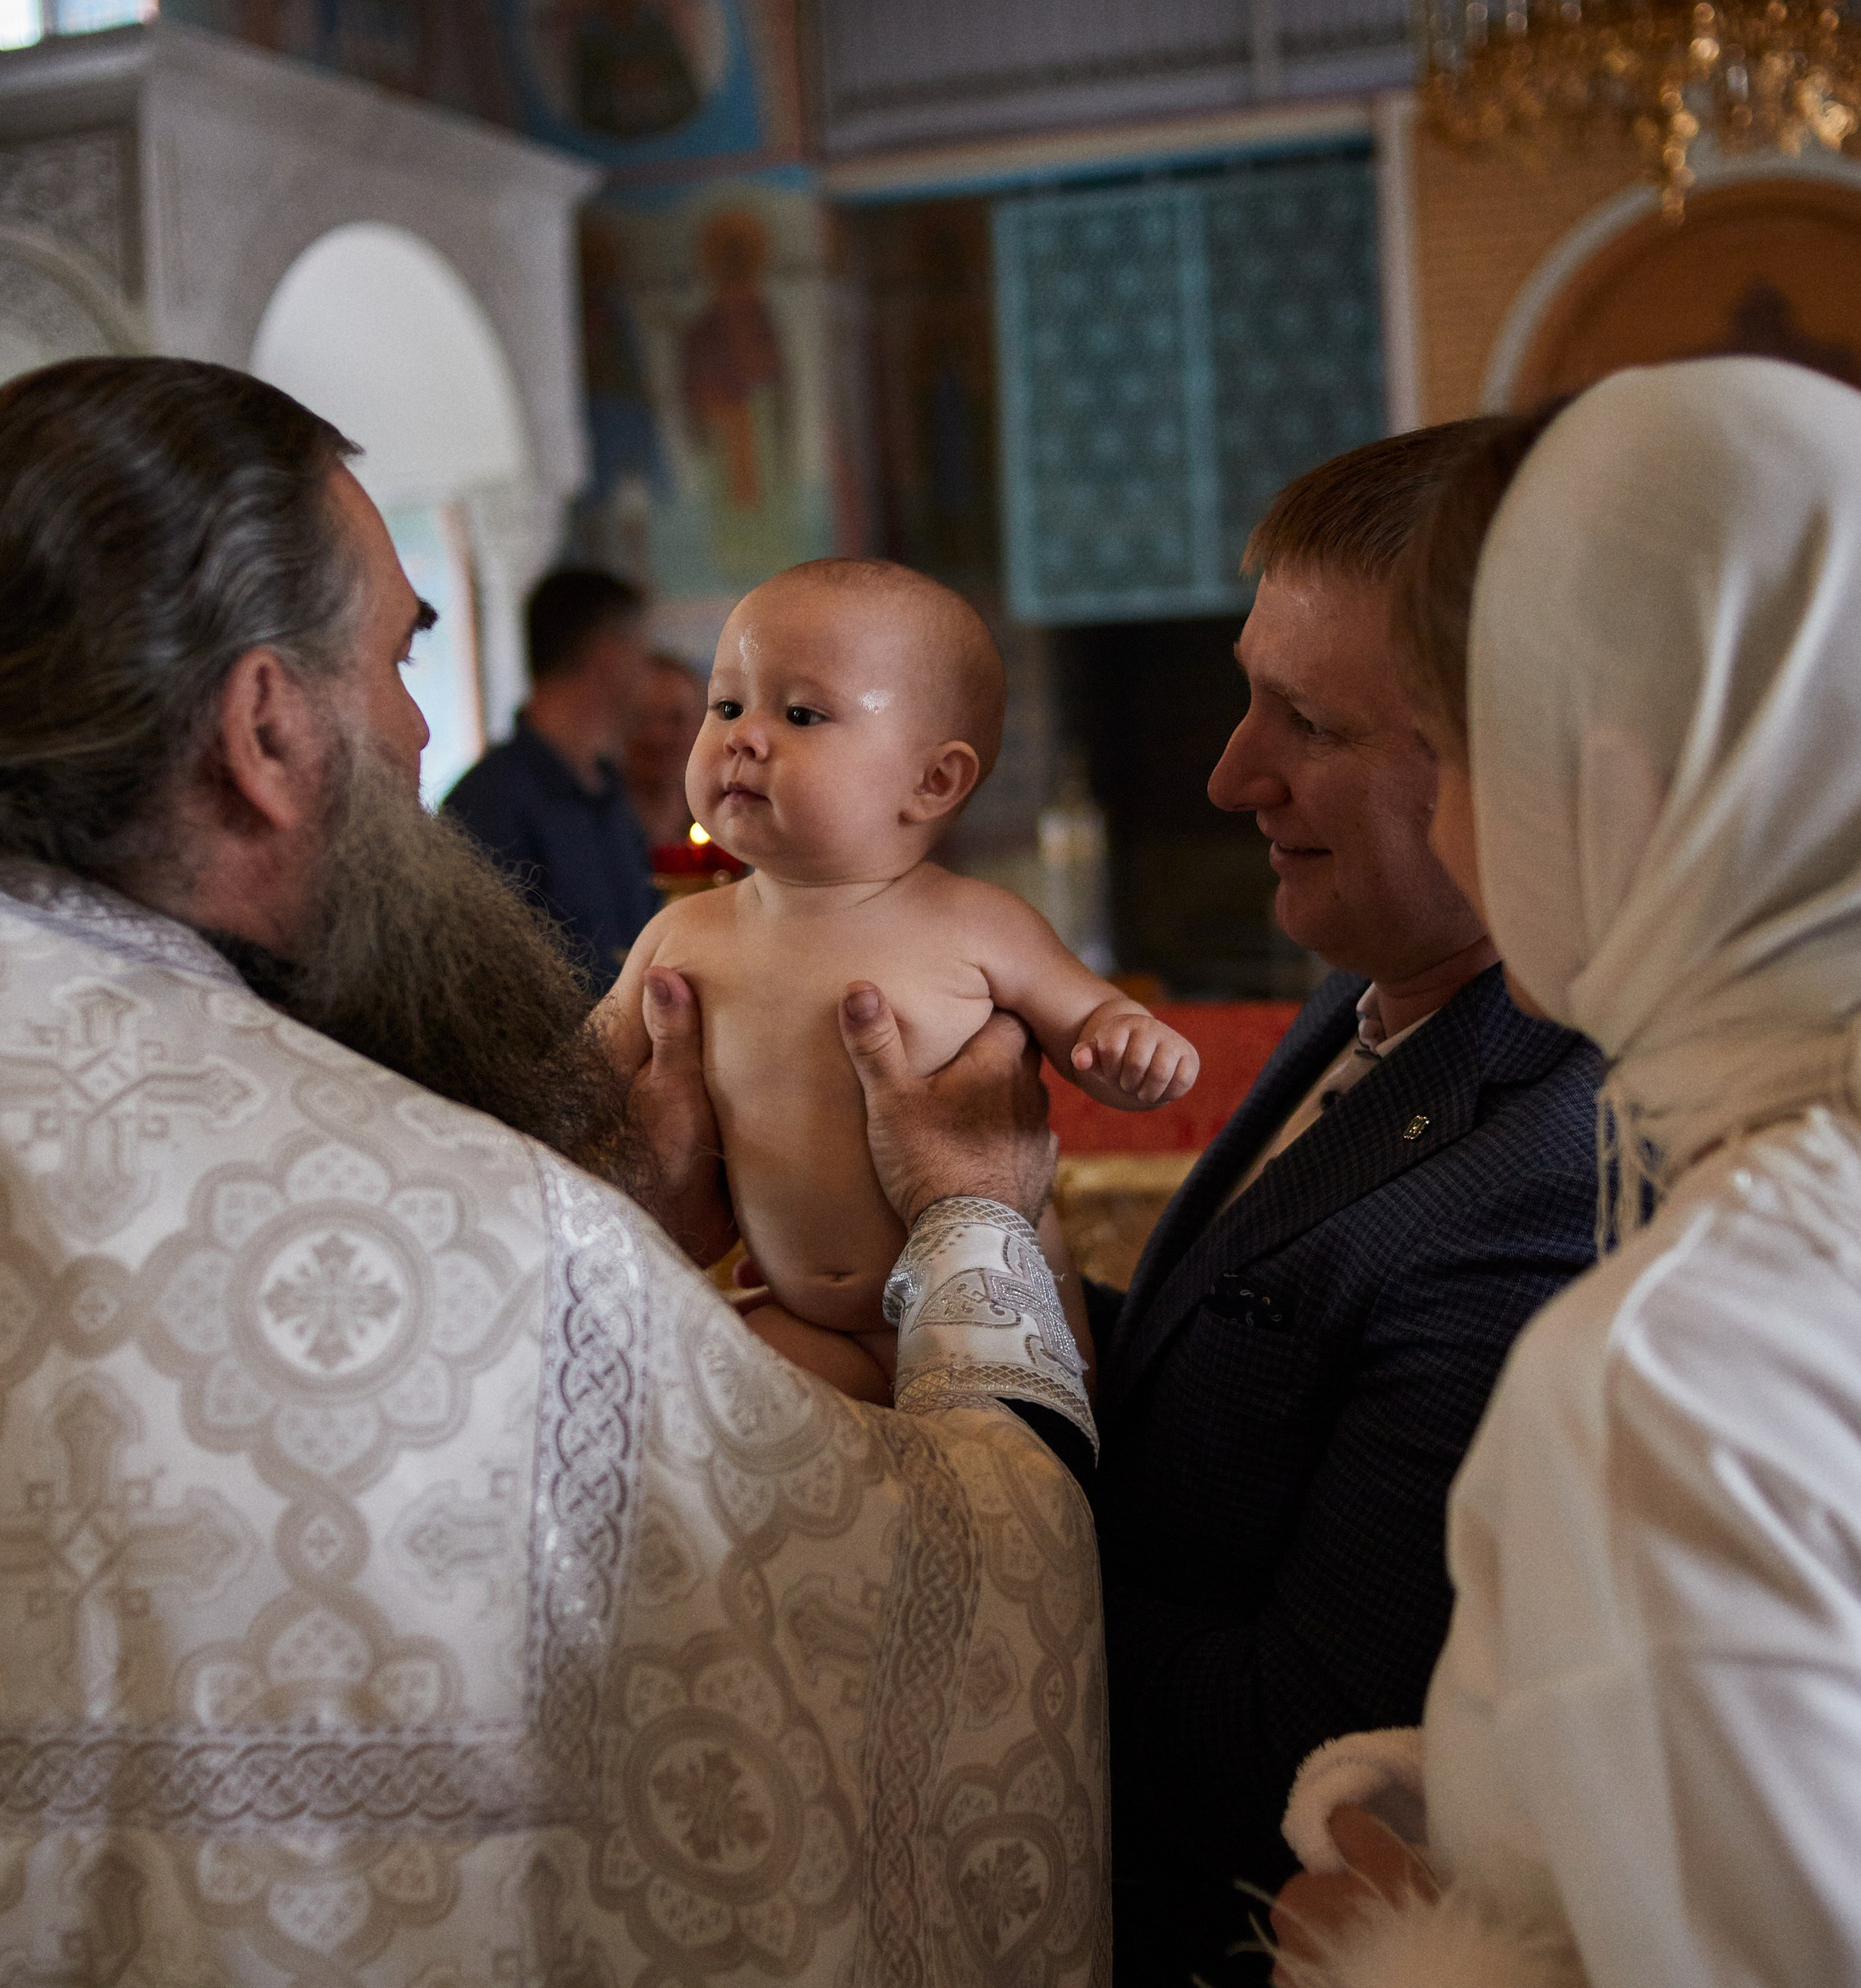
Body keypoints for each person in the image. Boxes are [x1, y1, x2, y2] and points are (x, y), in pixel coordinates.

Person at [0, 356, 1108, 1984]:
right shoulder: (489, 1243)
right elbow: (960, 1620)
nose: (426, 725)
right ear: (267, 726)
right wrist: (978, 1226)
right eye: (397, 658)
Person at [1272, 357, 1861, 1985]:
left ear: (1614, 787)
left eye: (1455, 753)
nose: (1451, 825)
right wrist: (1504, 1778)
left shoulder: (1676, 1374)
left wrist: (1402, 1952)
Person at [1087, 426, 1604, 1981]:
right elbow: (1236, 1386)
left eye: (1301, 720)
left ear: (1507, 764)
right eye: (1248, 689)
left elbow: (1289, 1742)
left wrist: (953, 1393)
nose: (1228, 772)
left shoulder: (1548, 1180)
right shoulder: (1387, 975)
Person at [594, 557, 1199, 1402]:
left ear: (932, 781)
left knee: (1030, 1477)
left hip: (994, 1304)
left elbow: (1090, 1023)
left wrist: (1128, 1047)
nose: (743, 735)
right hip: (800, 1316)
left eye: (800, 713)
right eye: (726, 704)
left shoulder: (978, 922)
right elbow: (582, 1073)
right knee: (702, 1402)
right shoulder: (682, 933)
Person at [443, 566, 658, 993]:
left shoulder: (608, 789)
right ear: (609, 655)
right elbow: (483, 989)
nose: (646, 673)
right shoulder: (487, 805)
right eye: (642, 652)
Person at [625, 648, 707, 849]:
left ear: (701, 725)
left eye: (676, 719)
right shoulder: (589, 824)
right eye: (641, 718)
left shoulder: (721, 824)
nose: (658, 736)